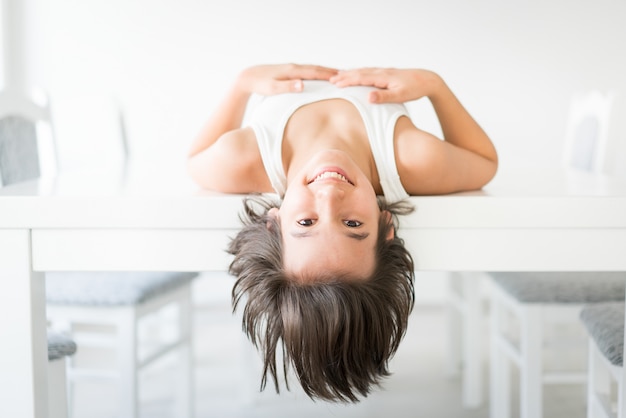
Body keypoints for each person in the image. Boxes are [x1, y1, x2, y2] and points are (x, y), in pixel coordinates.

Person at [188, 64, 498, 402]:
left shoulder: (243, 159)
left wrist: (243, 84)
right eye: (352, 224)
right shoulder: (412, 158)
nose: (329, 197)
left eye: (306, 223)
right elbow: (484, 161)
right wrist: (434, 86)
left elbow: (194, 160)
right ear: (385, 227)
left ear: (273, 223)